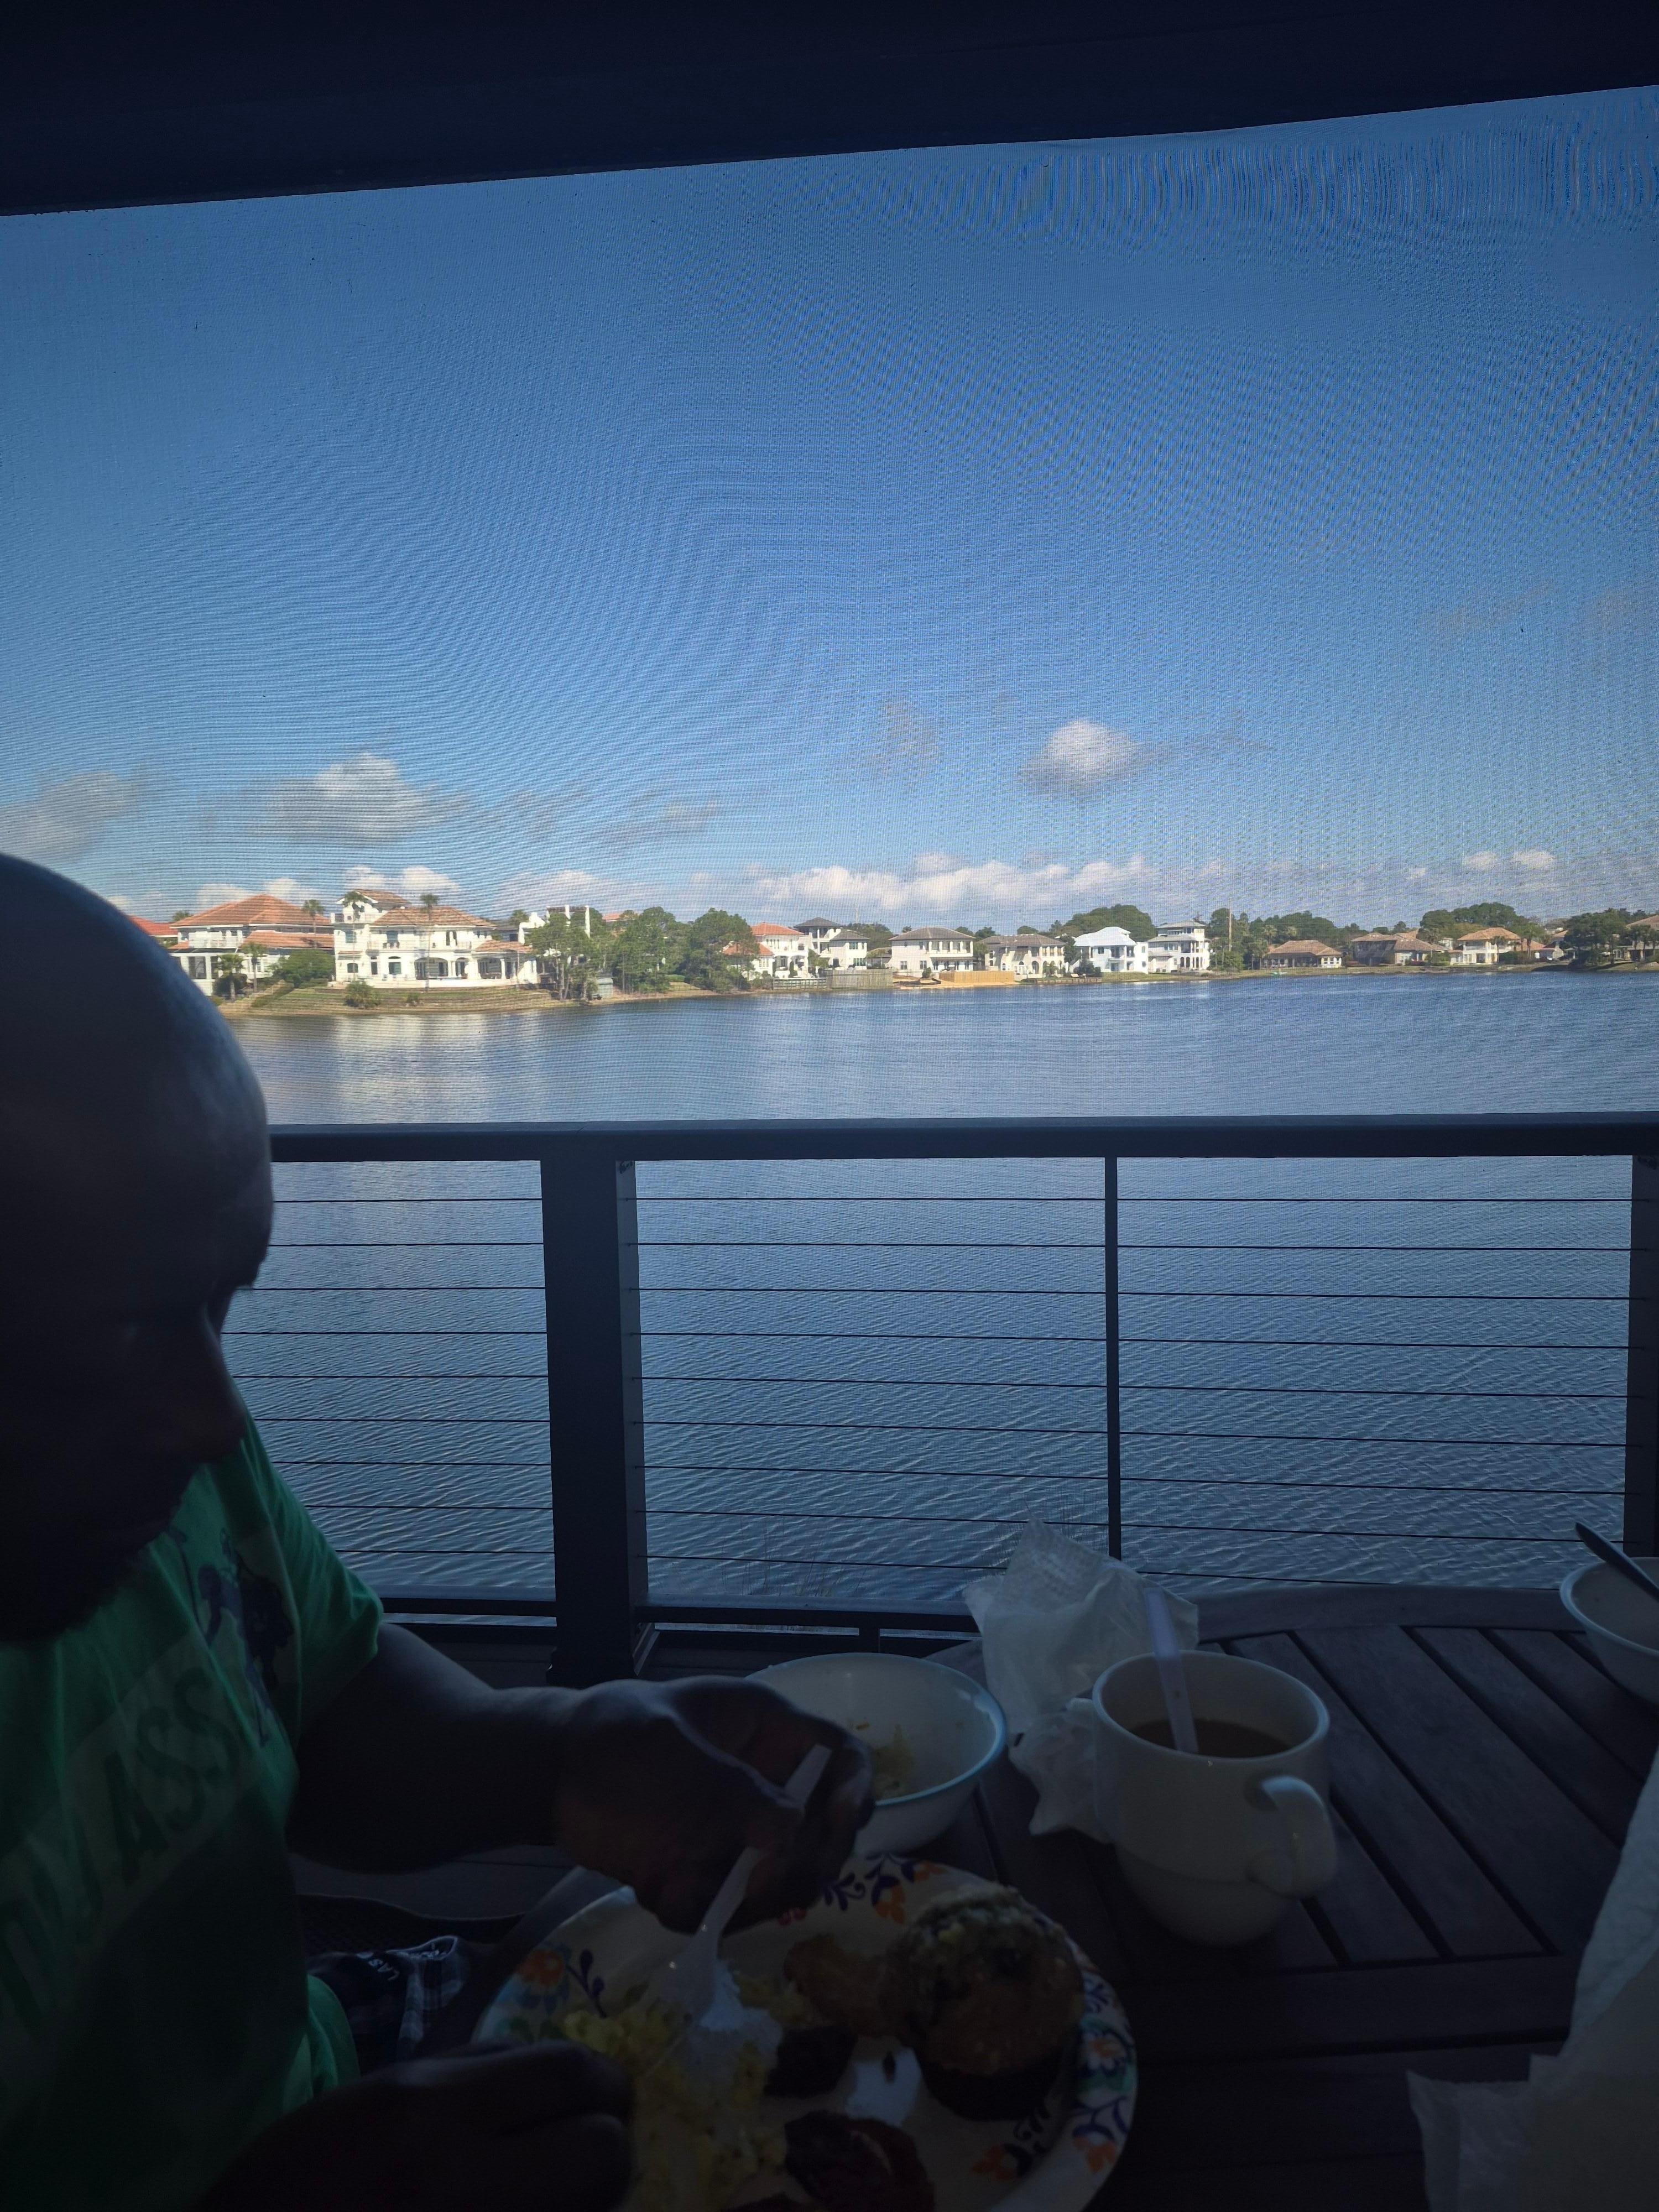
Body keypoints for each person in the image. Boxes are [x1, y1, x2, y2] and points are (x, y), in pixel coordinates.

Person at [0, 856, 873, 2210]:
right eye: (123, 1328)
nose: (216, 1417)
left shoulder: (140, 1472)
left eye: (223, 1303)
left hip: (340, 2071)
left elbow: (330, 1694)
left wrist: (572, 1747)